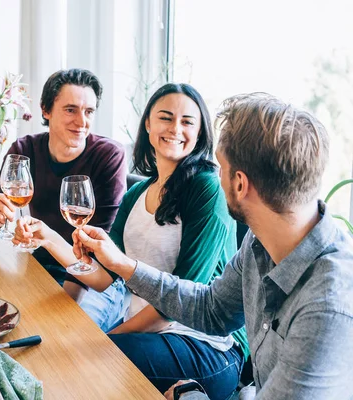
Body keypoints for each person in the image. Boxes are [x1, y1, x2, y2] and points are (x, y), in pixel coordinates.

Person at [72, 93, 353, 399]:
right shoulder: (260, 240)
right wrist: (123, 265)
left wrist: (193, 397)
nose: (215, 177)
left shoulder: (329, 307)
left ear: (240, 184)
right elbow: (211, 309)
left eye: (220, 168)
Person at [14, 83, 249, 399]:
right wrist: (49, 238)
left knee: (82, 358)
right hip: (152, 334)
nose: (175, 129)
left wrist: (105, 337)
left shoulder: (206, 189)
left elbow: (182, 302)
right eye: (165, 118)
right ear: (149, 124)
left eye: (187, 122)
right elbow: (103, 279)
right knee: (60, 352)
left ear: (200, 132)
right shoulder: (137, 194)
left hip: (208, 346)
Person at [0, 68, 128, 330]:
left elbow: (97, 259)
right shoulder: (24, 149)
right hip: (37, 267)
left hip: (88, 278)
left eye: (89, 111)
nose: (82, 121)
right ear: (45, 110)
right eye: (70, 110)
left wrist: (60, 310)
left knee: (54, 333)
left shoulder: (108, 156)